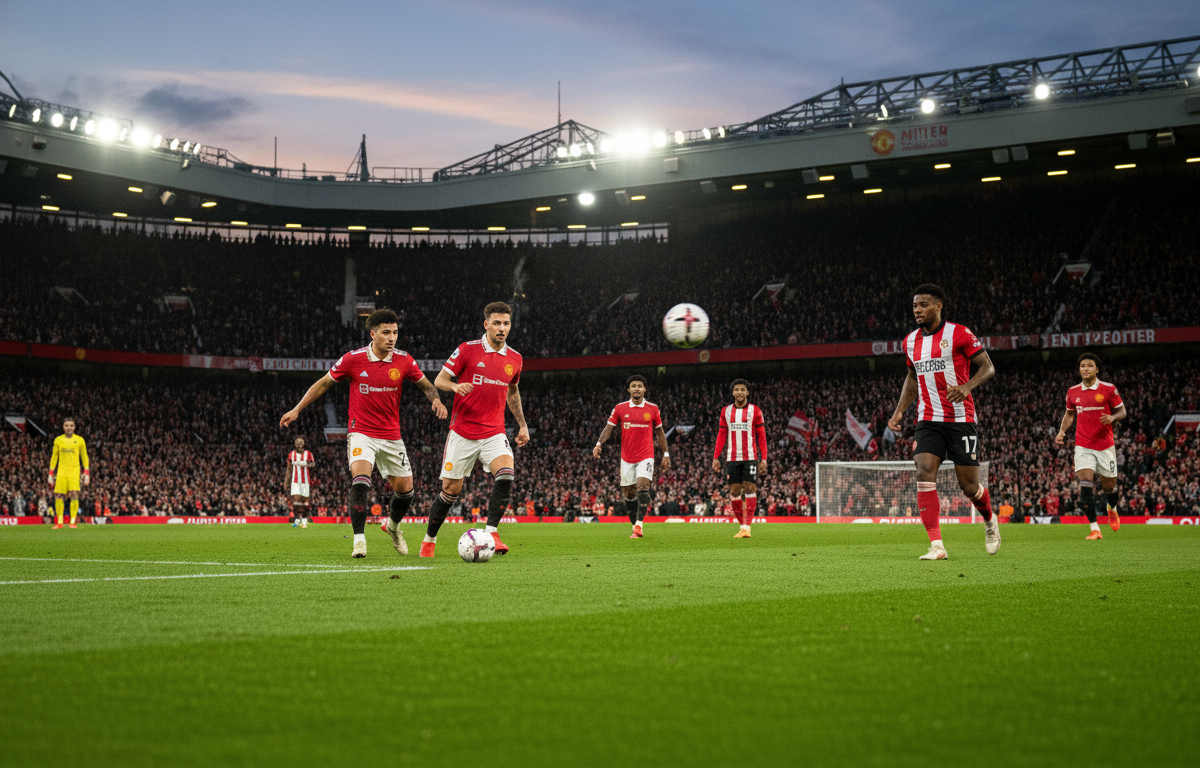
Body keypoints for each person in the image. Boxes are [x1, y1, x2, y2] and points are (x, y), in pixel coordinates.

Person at [280, 309, 447, 558]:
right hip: (362, 433)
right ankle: (359, 540)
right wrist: (297, 409)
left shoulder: (404, 360)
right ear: (373, 333)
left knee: (406, 491)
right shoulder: (353, 358)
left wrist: (436, 400)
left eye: (395, 332)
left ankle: (392, 526)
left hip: (391, 435)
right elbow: (324, 382)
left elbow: (426, 385)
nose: (392, 338)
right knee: (360, 480)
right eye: (386, 332)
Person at [886, 284, 999, 560]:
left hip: (961, 418)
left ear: (939, 306)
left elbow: (988, 367)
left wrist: (968, 386)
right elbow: (912, 378)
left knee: (969, 486)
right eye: (914, 306)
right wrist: (899, 411)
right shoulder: (910, 341)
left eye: (923, 304)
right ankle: (937, 545)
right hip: (928, 417)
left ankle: (989, 520)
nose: (917, 310)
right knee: (924, 470)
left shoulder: (960, 333)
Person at [421, 301, 529, 557]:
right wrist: (456, 387)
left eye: (506, 323)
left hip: (495, 432)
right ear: (486, 325)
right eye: (496, 323)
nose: (501, 328)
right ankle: (429, 540)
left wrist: (522, 424)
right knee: (450, 490)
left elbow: (512, 391)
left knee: (506, 474)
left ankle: (491, 530)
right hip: (463, 433)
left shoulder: (515, 359)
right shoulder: (467, 350)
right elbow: (440, 379)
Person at [1055, 352, 1127, 540]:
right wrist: (1062, 432)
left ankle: (1112, 508)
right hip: (1083, 446)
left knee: (1109, 487)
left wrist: (1112, 417)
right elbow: (1069, 414)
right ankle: (1095, 528)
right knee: (1085, 486)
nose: (1085, 369)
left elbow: (1122, 411)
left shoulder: (1109, 389)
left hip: (1105, 446)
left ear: (1097, 369)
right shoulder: (1073, 392)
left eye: (1089, 365)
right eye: (1082, 366)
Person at [592, 375, 670, 539]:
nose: (636, 388)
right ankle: (635, 524)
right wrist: (599, 444)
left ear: (644, 389)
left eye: (639, 386)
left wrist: (666, 453)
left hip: (646, 455)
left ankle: (639, 526)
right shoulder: (620, 408)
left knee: (643, 488)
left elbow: (660, 432)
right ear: (628, 389)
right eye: (633, 386)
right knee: (628, 494)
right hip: (626, 457)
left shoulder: (653, 409)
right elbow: (609, 428)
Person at [711, 379, 768, 538]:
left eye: (743, 389)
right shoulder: (726, 411)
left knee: (750, 488)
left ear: (747, 392)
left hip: (750, 457)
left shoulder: (755, 411)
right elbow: (721, 435)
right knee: (734, 491)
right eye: (737, 389)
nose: (740, 392)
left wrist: (764, 459)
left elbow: (762, 436)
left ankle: (747, 527)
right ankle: (741, 526)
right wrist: (716, 457)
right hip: (732, 458)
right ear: (733, 392)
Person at [48, 418, 89, 529]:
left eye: (71, 425)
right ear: (63, 427)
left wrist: (86, 473)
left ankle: (72, 522)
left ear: (74, 427)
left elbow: (84, 457)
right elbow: (54, 457)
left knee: (74, 495)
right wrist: (50, 473)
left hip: (74, 473)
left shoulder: (80, 440)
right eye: (67, 425)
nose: (69, 428)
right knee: (58, 496)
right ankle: (60, 522)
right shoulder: (58, 440)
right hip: (61, 472)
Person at [287, 437, 315, 528]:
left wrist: (306, 464)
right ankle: (297, 519)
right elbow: (289, 468)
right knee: (296, 500)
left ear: (304, 443)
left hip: (305, 481)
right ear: (295, 444)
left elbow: (313, 464)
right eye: (297, 442)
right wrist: (286, 480)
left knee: (305, 501)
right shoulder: (291, 454)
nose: (299, 443)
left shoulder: (308, 453)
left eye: (301, 442)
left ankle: (304, 520)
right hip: (295, 481)